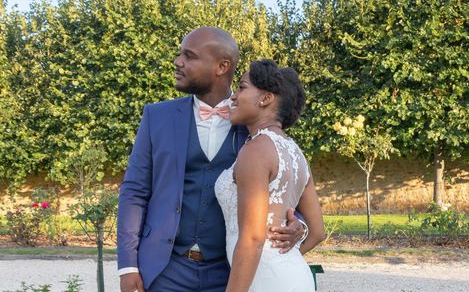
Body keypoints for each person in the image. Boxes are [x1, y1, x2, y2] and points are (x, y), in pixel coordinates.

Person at [117, 27, 305, 292]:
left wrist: (300, 227)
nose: (178, 61)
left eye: (189, 56)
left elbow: (284, 185)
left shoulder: (254, 123)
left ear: (221, 67)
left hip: (229, 271)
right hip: (165, 269)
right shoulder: (156, 117)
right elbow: (134, 191)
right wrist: (128, 266)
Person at [215, 59, 325, 292]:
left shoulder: (256, 150)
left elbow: (253, 239)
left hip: (262, 281)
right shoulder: (296, 153)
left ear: (265, 98)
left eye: (242, 87)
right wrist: (282, 257)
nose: (233, 96)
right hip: (295, 276)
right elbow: (317, 232)